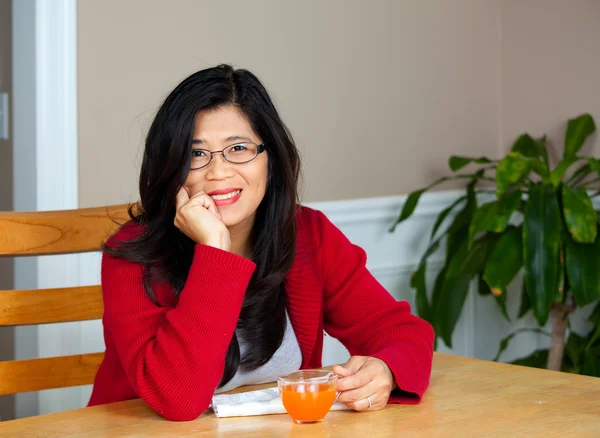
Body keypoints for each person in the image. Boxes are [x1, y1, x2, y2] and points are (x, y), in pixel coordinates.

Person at [87, 64, 434, 421]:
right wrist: (214, 252)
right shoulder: (133, 255)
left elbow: (403, 333)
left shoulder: (308, 235)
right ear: (170, 166)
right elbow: (177, 401)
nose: (218, 172)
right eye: (195, 154)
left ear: (271, 158)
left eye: (239, 148)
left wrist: (386, 370)